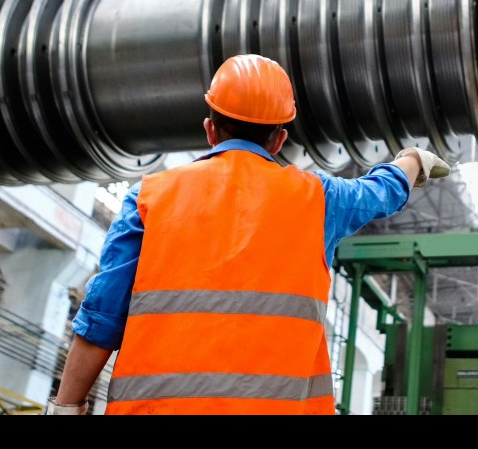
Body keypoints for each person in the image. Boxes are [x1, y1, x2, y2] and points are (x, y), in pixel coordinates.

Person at [46, 53, 451, 416]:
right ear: (279, 139)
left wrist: (67, 407)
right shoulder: (319, 199)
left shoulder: (150, 196)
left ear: (210, 129)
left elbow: (101, 318)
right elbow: (381, 191)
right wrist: (412, 159)